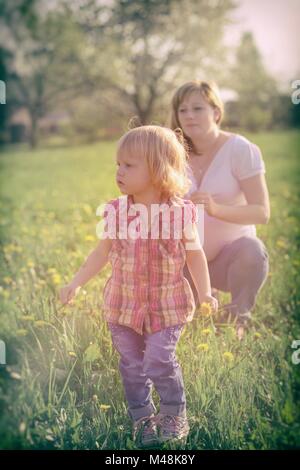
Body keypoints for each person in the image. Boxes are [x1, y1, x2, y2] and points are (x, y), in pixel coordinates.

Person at [59, 125, 218, 448]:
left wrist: (205, 293)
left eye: (129, 165)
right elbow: (101, 252)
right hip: (123, 306)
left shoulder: (181, 213)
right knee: (132, 366)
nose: (119, 171)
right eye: (118, 164)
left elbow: (195, 255)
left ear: (158, 168)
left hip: (167, 305)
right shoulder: (115, 211)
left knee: (159, 359)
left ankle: (173, 412)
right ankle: (142, 417)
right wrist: (76, 282)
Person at [169, 80, 270, 340]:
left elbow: (261, 212)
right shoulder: (173, 154)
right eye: (183, 110)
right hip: (187, 260)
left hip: (231, 259)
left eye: (198, 108)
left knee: (253, 251)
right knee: (185, 323)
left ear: (216, 112)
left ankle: (238, 317)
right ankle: (200, 304)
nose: (189, 115)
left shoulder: (240, 150)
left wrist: (216, 209)